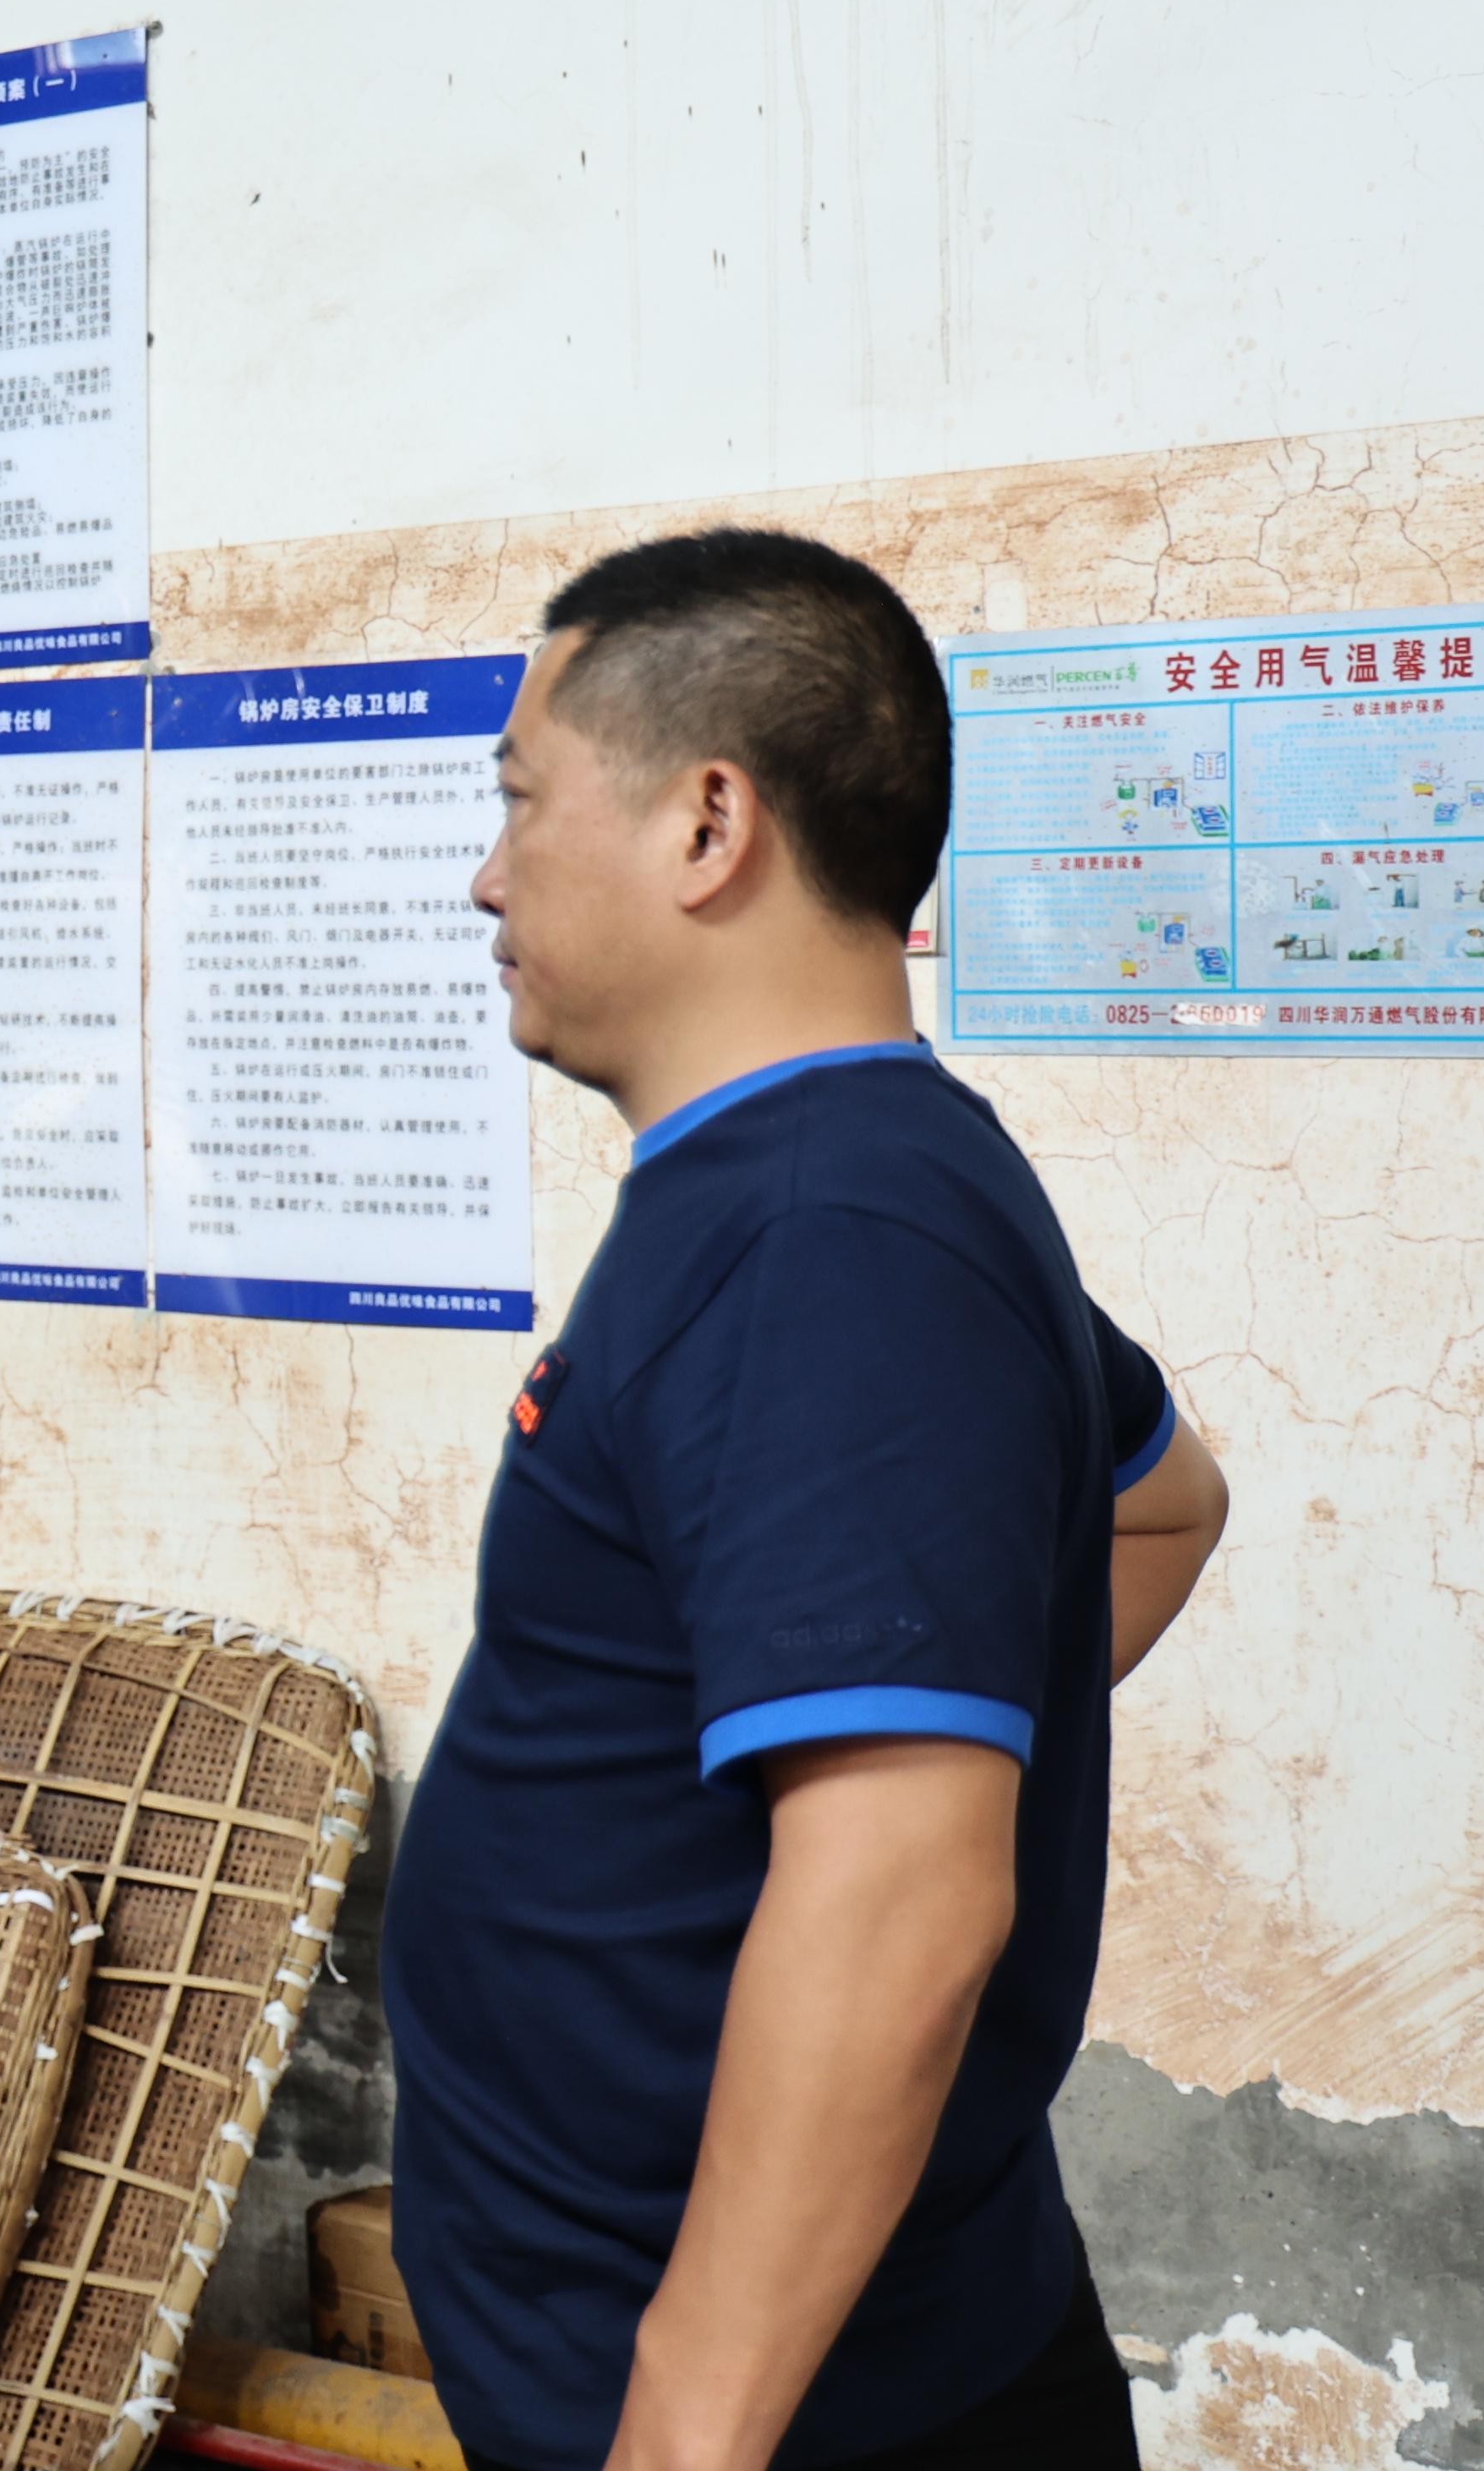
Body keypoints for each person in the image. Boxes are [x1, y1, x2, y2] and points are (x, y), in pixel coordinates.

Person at [389, 529, 1235, 2471]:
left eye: (521, 800)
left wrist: (685, 2435)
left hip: (804, 2421)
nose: (488, 875)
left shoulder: (829, 1236)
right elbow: (1159, 1506)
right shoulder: (842, 1186)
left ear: (709, 825)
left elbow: (903, 1900)